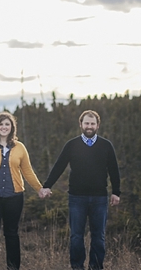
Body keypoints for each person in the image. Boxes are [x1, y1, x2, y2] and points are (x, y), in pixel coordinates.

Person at [39, 110, 121, 270]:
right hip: (77, 198)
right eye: (86, 123)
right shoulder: (72, 145)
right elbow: (59, 166)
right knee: (76, 236)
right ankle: (77, 267)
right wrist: (47, 185)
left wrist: (116, 192)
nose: (89, 126)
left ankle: (96, 267)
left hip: (99, 199)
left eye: (92, 123)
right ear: (81, 124)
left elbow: (114, 170)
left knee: (99, 237)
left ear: (97, 125)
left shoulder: (106, 145)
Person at [0, 111, 44, 270]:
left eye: (7, 124)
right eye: (1, 124)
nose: (4, 127)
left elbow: (27, 171)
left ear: (12, 127)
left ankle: (13, 267)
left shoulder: (20, 147)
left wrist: (39, 189)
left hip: (14, 197)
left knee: (12, 234)